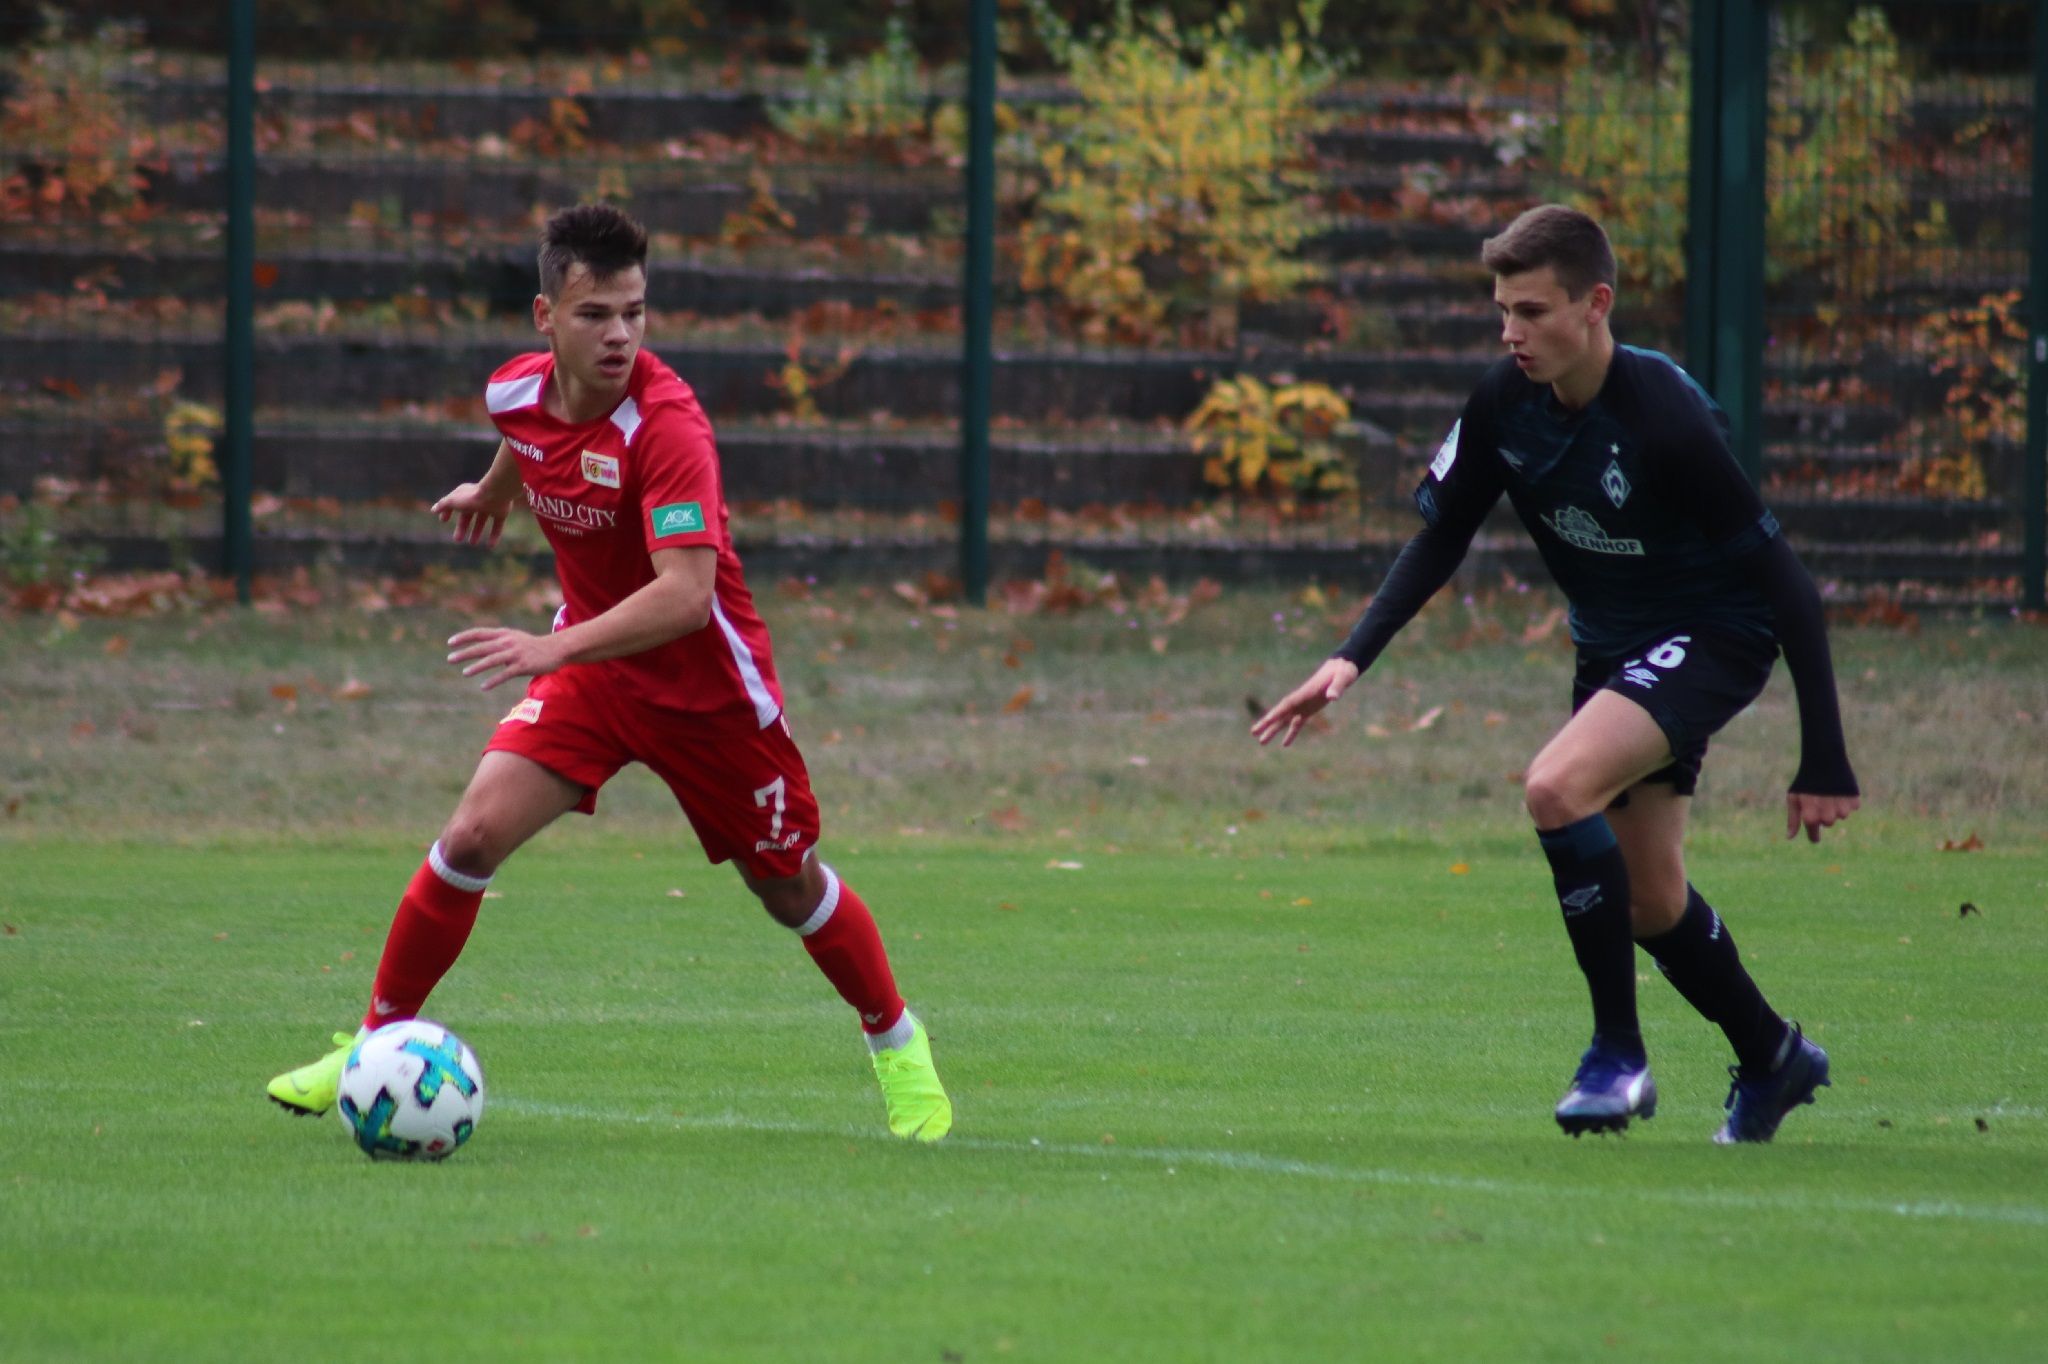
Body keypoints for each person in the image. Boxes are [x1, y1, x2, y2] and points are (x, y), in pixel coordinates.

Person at [267, 204, 952, 1142]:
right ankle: (370, 1049)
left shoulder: (668, 429)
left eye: (635, 311)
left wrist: (549, 647)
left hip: (710, 698)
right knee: (469, 838)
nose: (620, 333)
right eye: (596, 314)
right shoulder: (514, 390)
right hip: (596, 677)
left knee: (787, 886)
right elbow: (532, 434)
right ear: (546, 320)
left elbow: (684, 594)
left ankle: (897, 1043)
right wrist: (493, 491)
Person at [1252, 204, 1859, 1142]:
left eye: (1532, 311)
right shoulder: (1503, 402)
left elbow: (1786, 582)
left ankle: (1616, 1057)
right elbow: (1442, 534)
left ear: (1595, 305)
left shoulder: (1665, 415)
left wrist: (1825, 758)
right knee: (1651, 899)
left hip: (1716, 632)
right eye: (1503, 310)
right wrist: (1348, 658)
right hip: (1614, 649)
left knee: (1553, 786)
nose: (1511, 332)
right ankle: (1774, 1053)